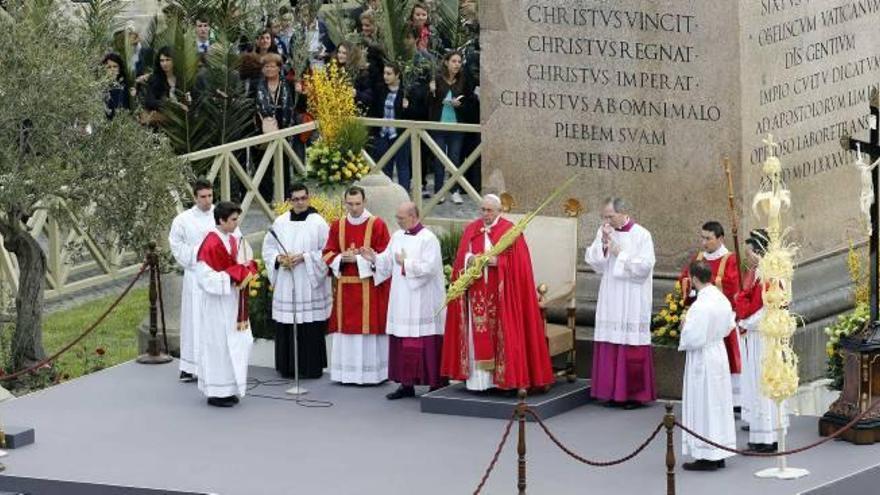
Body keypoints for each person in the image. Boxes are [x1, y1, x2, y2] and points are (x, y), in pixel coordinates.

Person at [440, 195, 554, 392]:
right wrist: (470, 260)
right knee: (477, 333)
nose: (485, 214)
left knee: (503, 335)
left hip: (502, 296)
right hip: (476, 293)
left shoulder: (510, 232)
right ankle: (480, 382)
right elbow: (460, 259)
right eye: (482, 209)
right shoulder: (472, 229)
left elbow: (521, 266)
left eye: (489, 210)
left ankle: (503, 381)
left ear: (499, 211)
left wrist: (497, 263)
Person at [361, 202, 446, 399]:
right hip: (401, 297)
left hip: (422, 299)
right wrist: (373, 258)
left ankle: (435, 383)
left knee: (425, 340)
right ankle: (406, 384)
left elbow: (430, 268)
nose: (398, 221)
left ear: (413, 216)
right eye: (397, 217)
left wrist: (405, 264)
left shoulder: (428, 239)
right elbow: (387, 261)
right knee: (401, 340)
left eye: (401, 218)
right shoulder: (398, 236)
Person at [585, 197, 656, 409]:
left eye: (610, 216)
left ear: (622, 212)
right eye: (604, 216)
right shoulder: (605, 231)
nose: (606, 221)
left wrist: (619, 253)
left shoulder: (642, 235)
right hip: (611, 293)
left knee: (630, 342)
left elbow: (645, 267)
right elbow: (594, 262)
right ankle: (609, 392)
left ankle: (633, 395)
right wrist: (604, 246)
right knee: (610, 338)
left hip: (633, 296)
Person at [262, 183, 332, 379]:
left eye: (303, 198)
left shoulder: (318, 222)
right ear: (289, 201)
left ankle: (311, 367)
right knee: (287, 323)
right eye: (296, 199)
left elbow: (327, 251)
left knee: (309, 325)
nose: (300, 202)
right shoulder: (280, 222)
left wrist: (305, 258)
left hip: (308, 281)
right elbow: (269, 249)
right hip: (287, 279)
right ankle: (287, 367)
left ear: (308, 198)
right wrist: (279, 259)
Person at [322, 186, 391, 384]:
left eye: (357, 204)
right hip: (345, 288)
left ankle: (372, 375)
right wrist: (341, 259)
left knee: (368, 330)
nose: (354, 208)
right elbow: (327, 252)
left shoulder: (377, 225)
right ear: (345, 203)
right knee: (346, 330)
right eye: (350, 204)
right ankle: (347, 374)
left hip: (369, 286)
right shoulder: (337, 225)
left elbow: (385, 258)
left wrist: (360, 260)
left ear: (365, 202)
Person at [195, 202, 258, 407]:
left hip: (233, 301)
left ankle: (230, 388)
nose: (236, 223)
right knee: (218, 346)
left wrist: (245, 269)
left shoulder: (232, 238)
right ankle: (216, 392)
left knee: (235, 344)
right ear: (221, 220)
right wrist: (233, 276)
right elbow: (205, 278)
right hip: (217, 304)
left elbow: (243, 261)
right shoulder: (211, 243)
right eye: (232, 219)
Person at [678, 260, 737, 471]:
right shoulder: (720, 298)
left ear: (693, 279)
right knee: (718, 403)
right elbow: (731, 323)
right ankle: (718, 452)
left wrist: (684, 325)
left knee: (703, 403)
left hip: (702, 358)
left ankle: (706, 455)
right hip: (718, 353)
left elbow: (693, 338)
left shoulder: (700, 305)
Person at [677, 221, 742, 400]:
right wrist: (689, 282)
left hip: (720, 315)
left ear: (720, 238)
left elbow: (732, 285)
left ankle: (734, 398)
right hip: (701, 314)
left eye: (708, 238)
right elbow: (685, 276)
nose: (704, 243)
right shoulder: (699, 257)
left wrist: (708, 285)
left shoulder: (730, 259)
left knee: (726, 355)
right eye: (702, 238)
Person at [734, 229, 786, 453]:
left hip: (764, 338)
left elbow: (767, 309)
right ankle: (760, 432)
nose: (747, 257)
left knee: (764, 383)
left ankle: (767, 437)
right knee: (756, 384)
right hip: (756, 338)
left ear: (759, 252)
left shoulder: (771, 276)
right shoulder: (757, 272)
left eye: (750, 253)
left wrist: (745, 323)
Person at [168, 179, 216, 383]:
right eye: (203, 197)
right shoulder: (183, 220)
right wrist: (198, 254)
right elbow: (176, 245)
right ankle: (190, 365)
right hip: (195, 274)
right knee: (194, 319)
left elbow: (234, 237)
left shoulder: (220, 214)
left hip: (216, 275)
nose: (207, 200)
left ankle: (215, 364)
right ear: (195, 197)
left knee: (214, 319)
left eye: (210, 196)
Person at [427, 51, 474, 205]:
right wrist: (431, 90)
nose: (456, 64)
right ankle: (439, 191)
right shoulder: (437, 79)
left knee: (455, 159)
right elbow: (428, 103)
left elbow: (470, 102)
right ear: (446, 62)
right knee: (439, 160)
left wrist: (460, 104)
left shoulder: (464, 80)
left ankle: (454, 190)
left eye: (459, 62)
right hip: (439, 125)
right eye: (453, 61)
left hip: (456, 126)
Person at [369, 61, 412, 194]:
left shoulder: (406, 91)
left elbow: (417, 113)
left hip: (400, 134)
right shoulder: (380, 88)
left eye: (389, 74)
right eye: (384, 73)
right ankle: (386, 195)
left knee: (402, 166)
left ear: (397, 75)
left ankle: (404, 195)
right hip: (382, 134)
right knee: (384, 166)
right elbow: (374, 109)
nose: (385, 76)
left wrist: (407, 107)